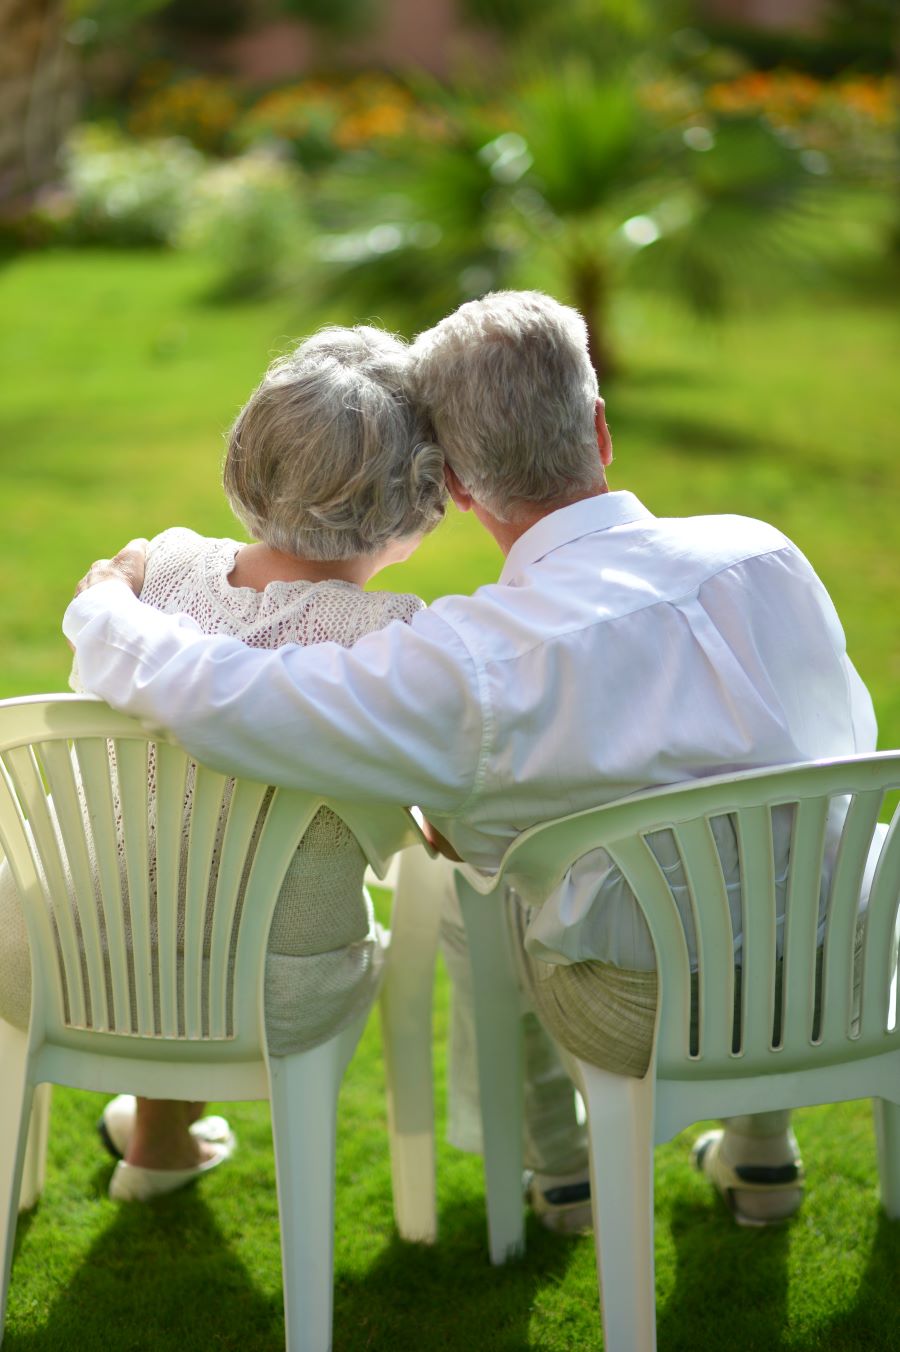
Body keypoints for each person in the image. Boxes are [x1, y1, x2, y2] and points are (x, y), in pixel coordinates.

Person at [63, 290, 879, 1227]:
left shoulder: (479, 659)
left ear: (452, 484)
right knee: (763, 834)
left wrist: (102, 608)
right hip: (843, 965)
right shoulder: (763, 554)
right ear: (601, 431)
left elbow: (227, 697)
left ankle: (563, 1167)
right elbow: (832, 742)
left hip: (655, 1012)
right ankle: (761, 1151)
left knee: (480, 886)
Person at [0, 324, 446, 1200]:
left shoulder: (147, 572)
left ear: (248, 458)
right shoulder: (397, 644)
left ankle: (159, 1145)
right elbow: (448, 821)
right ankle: (159, 1139)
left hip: (49, 955)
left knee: (167, 873)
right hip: (263, 992)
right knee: (231, 907)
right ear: (422, 496)